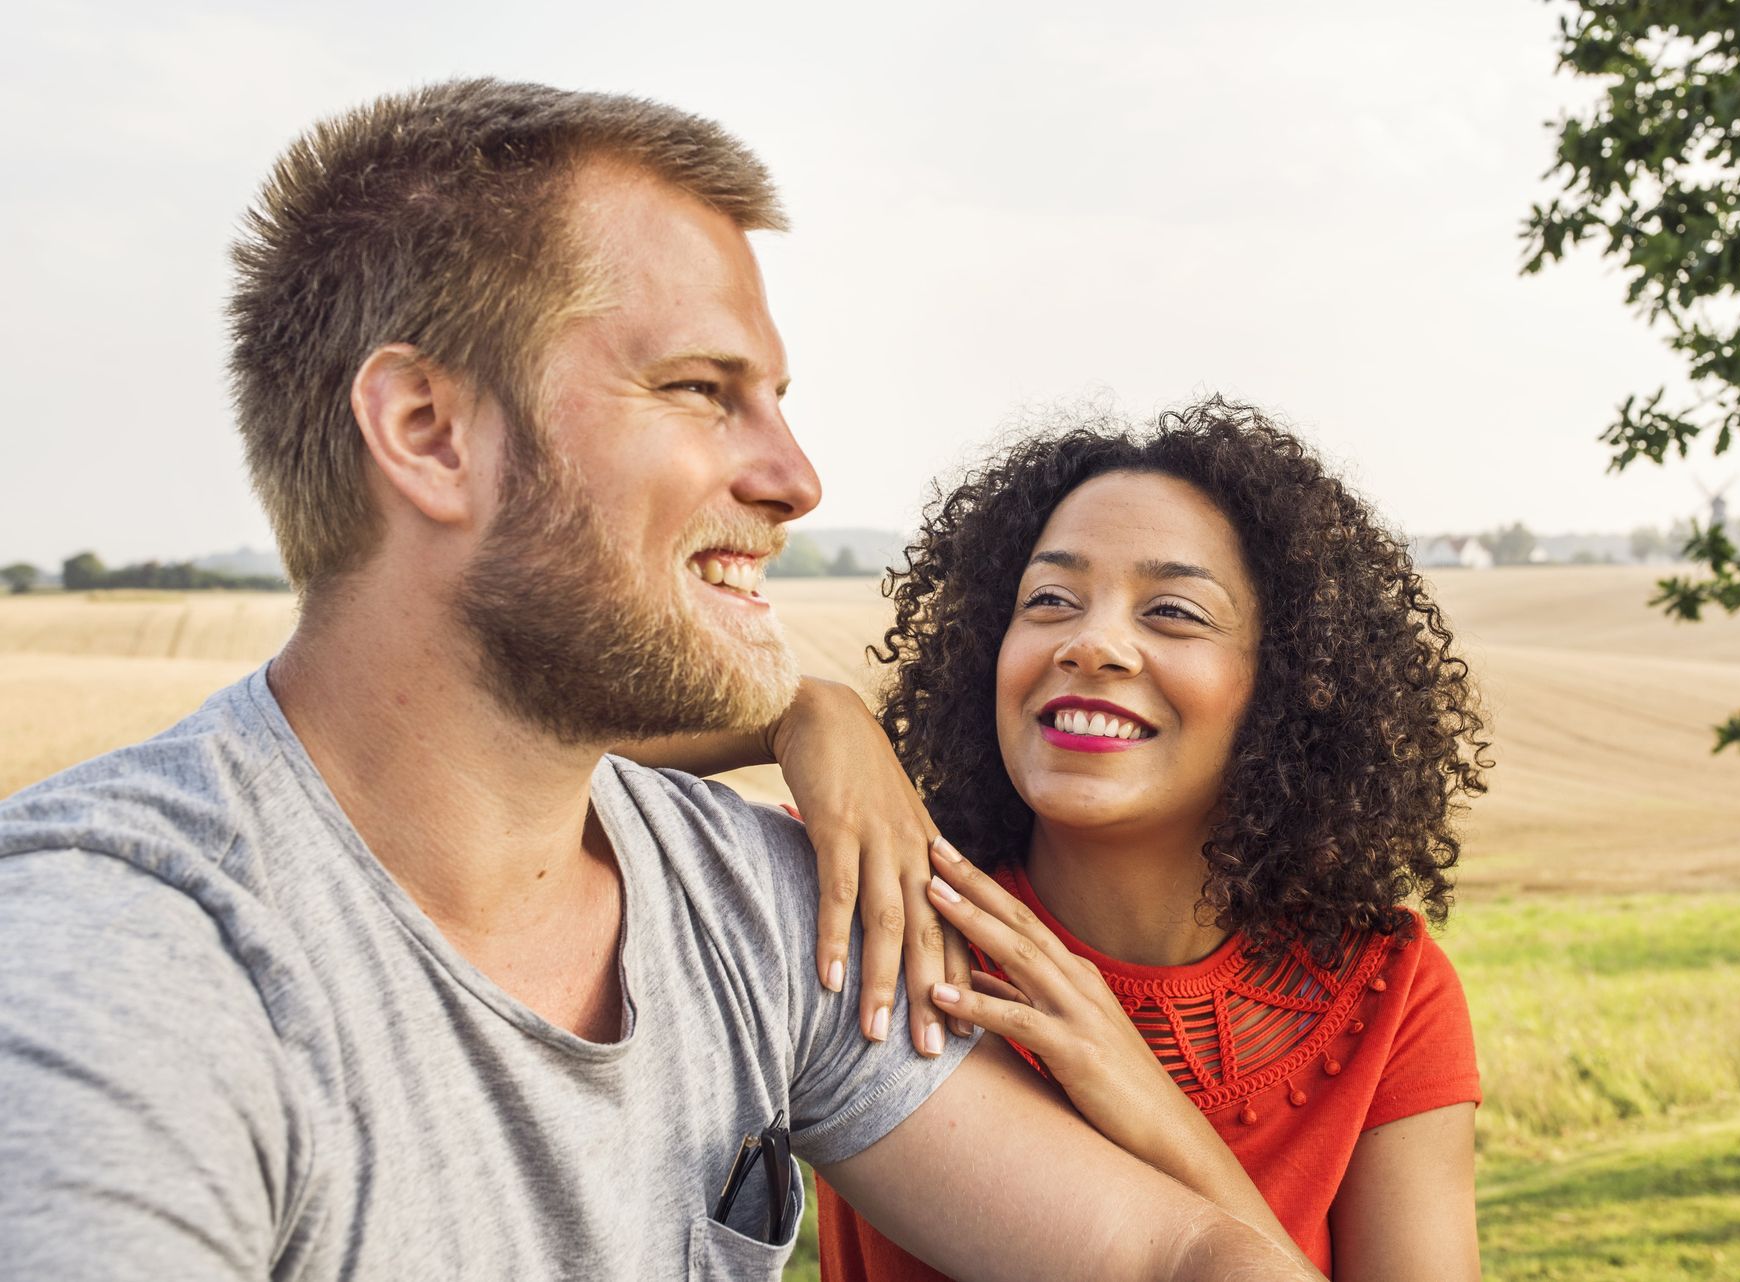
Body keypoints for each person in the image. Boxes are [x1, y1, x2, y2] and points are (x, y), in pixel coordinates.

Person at [0, 82, 1319, 1280]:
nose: (795, 479)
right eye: (702, 389)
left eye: (779, 398)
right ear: (429, 432)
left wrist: (817, 704)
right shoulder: (116, 967)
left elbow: (1178, 1254)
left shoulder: (752, 906)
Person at [814, 399, 1491, 1280]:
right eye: (1049, 599)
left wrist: (1143, 1099)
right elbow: (578, 746)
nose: (1093, 644)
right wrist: (806, 712)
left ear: (1290, 683)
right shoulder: (886, 895)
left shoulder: (1390, 993)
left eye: (1173, 611)